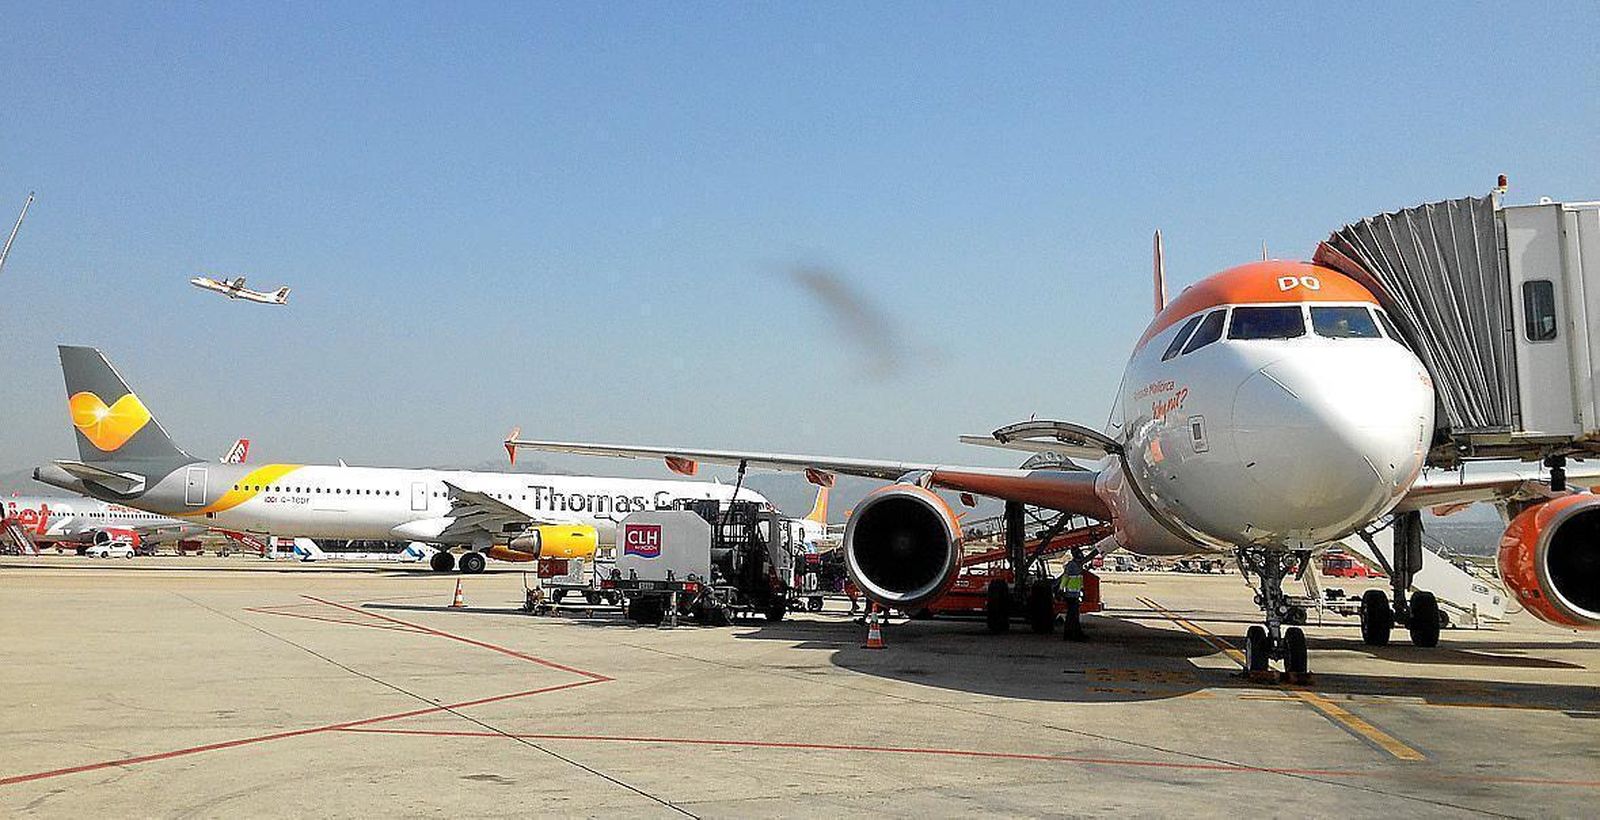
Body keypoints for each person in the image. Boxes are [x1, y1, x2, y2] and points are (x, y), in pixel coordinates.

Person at [1059, 555, 1086, 641]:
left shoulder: (1076, 566)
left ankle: (1072, 634)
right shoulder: (1073, 566)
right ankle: (1072, 634)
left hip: (1074, 595)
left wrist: (1082, 589)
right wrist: (1061, 589)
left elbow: (1079, 580)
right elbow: (1066, 577)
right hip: (1071, 595)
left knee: (1073, 615)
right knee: (1072, 616)